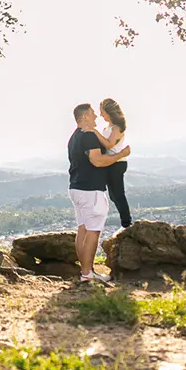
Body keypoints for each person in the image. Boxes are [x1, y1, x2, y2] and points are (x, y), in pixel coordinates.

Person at [67, 102, 131, 283]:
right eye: (93, 113)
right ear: (84, 117)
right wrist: (121, 155)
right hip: (90, 190)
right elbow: (98, 161)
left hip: (76, 187)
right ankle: (88, 274)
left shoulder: (74, 137)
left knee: (82, 230)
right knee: (93, 232)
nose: (96, 116)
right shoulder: (89, 136)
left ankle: (85, 271)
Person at [90, 97, 133, 229]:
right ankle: (126, 222)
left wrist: (94, 131)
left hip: (117, 163)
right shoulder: (108, 127)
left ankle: (127, 223)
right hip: (111, 163)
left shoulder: (116, 128)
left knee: (118, 194)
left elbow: (109, 145)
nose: (101, 115)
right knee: (113, 196)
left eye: (102, 112)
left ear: (109, 112)